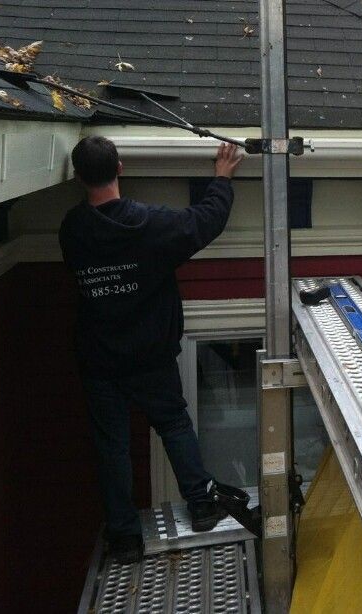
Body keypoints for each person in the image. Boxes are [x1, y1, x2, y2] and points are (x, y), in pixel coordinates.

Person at [59, 136, 244, 564]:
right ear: (120, 168)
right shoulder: (147, 225)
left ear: (79, 177)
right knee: (174, 425)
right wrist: (221, 178)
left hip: (99, 359)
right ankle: (201, 504)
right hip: (149, 356)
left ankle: (124, 537)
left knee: (112, 447)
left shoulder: (72, 230)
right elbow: (205, 221)